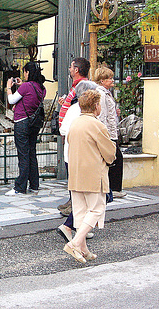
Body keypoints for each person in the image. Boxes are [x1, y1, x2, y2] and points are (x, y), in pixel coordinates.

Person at [63, 90, 116, 263]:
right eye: (99, 104)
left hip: (75, 173)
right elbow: (109, 152)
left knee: (80, 212)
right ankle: (76, 243)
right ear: (95, 106)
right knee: (96, 209)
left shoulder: (75, 123)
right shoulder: (97, 125)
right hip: (93, 174)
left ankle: (84, 249)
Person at [56, 80, 99, 243]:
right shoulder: (81, 112)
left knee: (80, 195)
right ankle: (69, 226)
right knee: (86, 197)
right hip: (82, 159)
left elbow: (63, 129)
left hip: (72, 157)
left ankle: (82, 228)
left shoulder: (73, 109)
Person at [5, 62, 47, 196]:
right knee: (31, 153)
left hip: (22, 123)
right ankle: (34, 184)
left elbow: (11, 100)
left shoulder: (27, 86)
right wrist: (21, 84)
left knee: (23, 155)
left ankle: (20, 187)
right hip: (34, 124)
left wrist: (8, 88)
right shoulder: (42, 88)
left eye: (24, 72)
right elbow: (29, 97)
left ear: (28, 73)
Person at [57, 57, 90, 215]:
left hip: (74, 135)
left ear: (76, 70)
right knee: (71, 170)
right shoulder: (76, 86)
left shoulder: (82, 87)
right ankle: (72, 201)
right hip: (70, 133)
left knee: (73, 171)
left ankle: (75, 206)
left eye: (71, 67)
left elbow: (78, 108)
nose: (69, 69)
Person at [94, 67, 126, 199]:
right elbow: (102, 115)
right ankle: (114, 189)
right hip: (108, 133)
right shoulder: (101, 94)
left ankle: (113, 188)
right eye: (109, 78)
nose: (112, 80)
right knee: (115, 158)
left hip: (112, 131)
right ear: (102, 80)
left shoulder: (107, 93)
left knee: (115, 159)